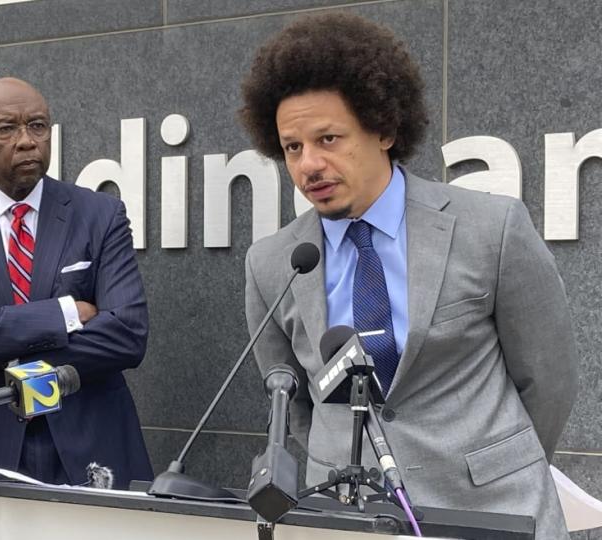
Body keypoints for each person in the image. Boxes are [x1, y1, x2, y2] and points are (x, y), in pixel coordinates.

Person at [239, 13, 577, 539]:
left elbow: (548, 379)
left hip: (491, 510)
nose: (309, 165)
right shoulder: (272, 262)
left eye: (329, 138)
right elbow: (292, 402)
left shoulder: (492, 228)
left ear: (385, 129)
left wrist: (498, 463)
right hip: (346, 518)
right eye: (293, 147)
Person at [0, 77, 153, 532]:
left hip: (87, 438)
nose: (27, 141)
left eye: (38, 126)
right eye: (7, 129)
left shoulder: (100, 215)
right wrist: (69, 313)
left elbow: (128, 334)